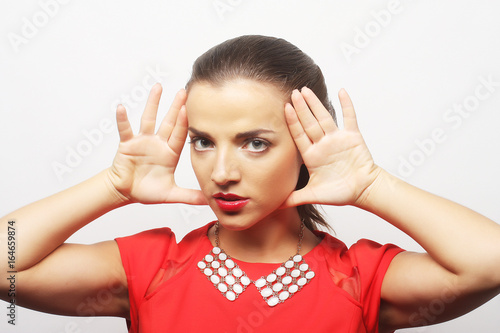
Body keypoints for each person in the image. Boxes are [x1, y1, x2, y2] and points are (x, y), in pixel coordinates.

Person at [1, 35, 499, 333]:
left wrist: (370, 184)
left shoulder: (360, 278)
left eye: (254, 143)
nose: (221, 171)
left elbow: (490, 263)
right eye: (202, 141)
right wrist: (112, 186)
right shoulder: (151, 268)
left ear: (305, 143)